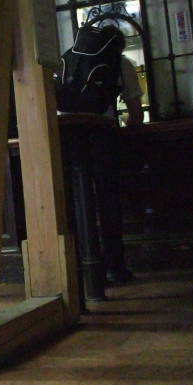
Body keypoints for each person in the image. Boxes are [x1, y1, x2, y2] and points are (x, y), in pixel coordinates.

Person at [60, 24, 143, 284]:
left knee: (75, 204)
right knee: (107, 202)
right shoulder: (120, 63)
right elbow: (136, 116)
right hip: (101, 136)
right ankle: (114, 267)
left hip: (66, 137)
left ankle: (82, 269)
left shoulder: (67, 57)